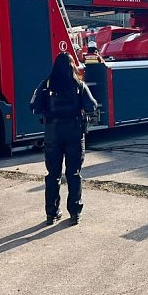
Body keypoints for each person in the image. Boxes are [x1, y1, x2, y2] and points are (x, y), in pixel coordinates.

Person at [30, 52, 98, 224]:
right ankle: (75, 213)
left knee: (53, 174)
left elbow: (34, 107)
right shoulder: (79, 85)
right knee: (74, 173)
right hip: (74, 133)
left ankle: (51, 214)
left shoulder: (45, 85)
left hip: (53, 134)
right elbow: (92, 106)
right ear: (72, 67)